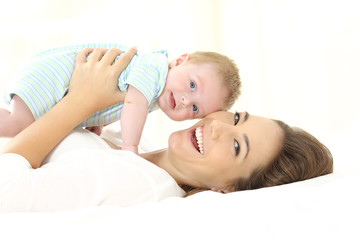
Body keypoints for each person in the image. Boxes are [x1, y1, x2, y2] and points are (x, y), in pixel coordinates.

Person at [0, 48, 333, 212]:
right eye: (234, 119)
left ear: (227, 189)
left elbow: (6, 191)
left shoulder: (143, 184)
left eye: (237, 148)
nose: (218, 129)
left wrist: (80, 102)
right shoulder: (132, 145)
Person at [0, 43, 241, 154]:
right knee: (17, 124)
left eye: (196, 108)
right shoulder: (155, 70)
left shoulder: (153, 89)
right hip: (56, 74)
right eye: (191, 85)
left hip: (60, 79)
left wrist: (97, 120)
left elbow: (118, 97)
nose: (187, 101)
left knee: (24, 124)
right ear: (180, 61)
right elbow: (132, 105)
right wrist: (130, 147)